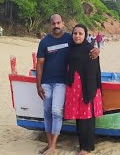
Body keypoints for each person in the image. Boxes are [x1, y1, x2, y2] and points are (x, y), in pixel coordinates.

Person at [36, 14, 99, 155]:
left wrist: (97, 50)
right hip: (46, 82)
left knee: (56, 111)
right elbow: (39, 63)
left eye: (59, 23)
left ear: (63, 23)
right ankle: (49, 144)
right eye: (54, 23)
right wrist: (38, 84)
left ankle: (53, 146)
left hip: (62, 82)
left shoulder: (69, 39)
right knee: (47, 113)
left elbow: (84, 45)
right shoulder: (44, 42)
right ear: (50, 24)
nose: (56, 25)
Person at [64, 24, 103, 155]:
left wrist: (92, 90)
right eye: (75, 33)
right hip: (74, 89)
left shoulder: (91, 50)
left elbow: (95, 70)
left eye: (80, 34)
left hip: (87, 89)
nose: (77, 36)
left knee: (87, 118)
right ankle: (83, 146)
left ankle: (86, 148)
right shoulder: (70, 48)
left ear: (85, 35)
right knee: (79, 118)